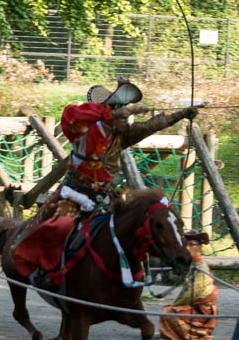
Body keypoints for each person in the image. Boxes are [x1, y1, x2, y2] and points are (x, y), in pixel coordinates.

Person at [12, 79, 199, 287]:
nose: (126, 120)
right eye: (122, 114)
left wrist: (182, 114)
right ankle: (46, 270)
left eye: (126, 114)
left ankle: (141, 271)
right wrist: (109, 114)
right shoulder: (83, 129)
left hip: (107, 194)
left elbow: (152, 125)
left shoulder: (122, 134)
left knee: (135, 227)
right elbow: (71, 113)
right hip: (74, 193)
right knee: (61, 226)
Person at [158, 230, 218, 340]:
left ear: (199, 247)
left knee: (170, 314)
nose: (187, 248)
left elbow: (195, 292)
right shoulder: (193, 263)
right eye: (186, 244)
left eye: (191, 245)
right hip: (193, 303)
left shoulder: (201, 266)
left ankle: (196, 336)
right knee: (166, 310)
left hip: (201, 308)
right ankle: (177, 335)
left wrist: (177, 305)